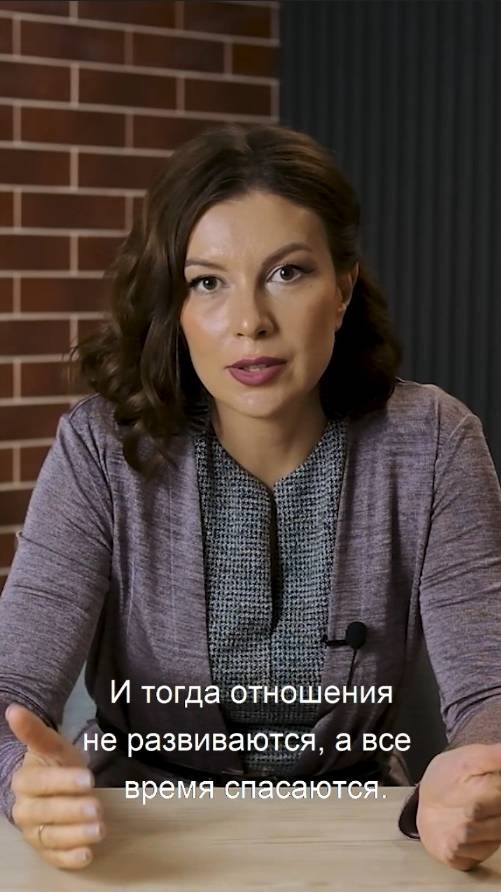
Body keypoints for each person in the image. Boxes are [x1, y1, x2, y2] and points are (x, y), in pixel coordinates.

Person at [1, 122, 501, 874]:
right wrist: (23, 780)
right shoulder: (101, 449)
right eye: (208, 282)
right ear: (174, 304)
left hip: (361, 837)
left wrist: (478, 778)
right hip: (138, 838)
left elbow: (491, 688)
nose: (249, 322)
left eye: (287, 273)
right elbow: (9, 690)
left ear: (343, 288)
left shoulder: (432, 442)